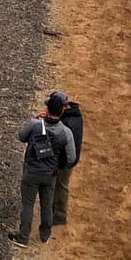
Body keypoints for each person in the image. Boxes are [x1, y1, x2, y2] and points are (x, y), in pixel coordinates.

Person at [8, 94, 77, 248]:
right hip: (50, 175)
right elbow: (71, 157)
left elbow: (21, 136)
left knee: (28, 205)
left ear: (47, 109)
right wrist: (57, 167)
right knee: (46, 205)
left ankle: (23, 237)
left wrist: (35, 119)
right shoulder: (66, 133)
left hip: (31, 173)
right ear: (61, 112)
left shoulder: (35, 125)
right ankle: (45, 235)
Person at [51, 92, 82, 226]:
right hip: (71, 158)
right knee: (61, 184)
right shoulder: (75, 115)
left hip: (66, 161)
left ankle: (59, 215)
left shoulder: (67, 123)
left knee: (61, 185)